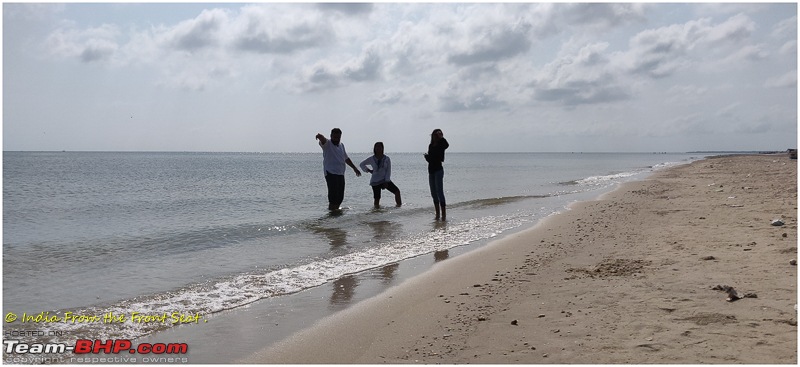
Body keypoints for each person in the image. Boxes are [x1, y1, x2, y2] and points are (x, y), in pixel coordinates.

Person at [316, 128, 361, 211]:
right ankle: (331, 214)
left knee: (340, 196)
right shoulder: (327, 144)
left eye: (338, 137)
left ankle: (336, 214)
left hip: (340, 173)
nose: (336, 139)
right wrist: (319, 136)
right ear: (331, 136)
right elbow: (323, 140)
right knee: (333, 196)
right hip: (330, 173)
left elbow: (346, 158)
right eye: (335, 137)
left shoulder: (341, 145)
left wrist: (354, 168)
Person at [359, 142, 402, 207]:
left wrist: (386, 181)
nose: (378, 148)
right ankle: (376, 213)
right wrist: (368, 170)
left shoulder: (387, 159)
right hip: (375, 181)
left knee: (397, 191)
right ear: (374, 148)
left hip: (385, 180)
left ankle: (399, 207)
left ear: (382, 148)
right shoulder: (371, 159)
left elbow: (388, 171)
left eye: (379, 147)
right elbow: (362, 164)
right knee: (377, 198)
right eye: (376, 147)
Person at [424, 129, 449, 220]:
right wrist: (427, 157)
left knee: (440, 192)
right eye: (434, 135)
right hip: (431, 170)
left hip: (438, 170)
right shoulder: (431, 146)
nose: (435, 136)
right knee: (433, 193)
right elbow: (431, 159)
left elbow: (447, 145)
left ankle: (444, 215)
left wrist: (441, 137)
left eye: (437, 135)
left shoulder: (441, 145)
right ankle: (437, 214)